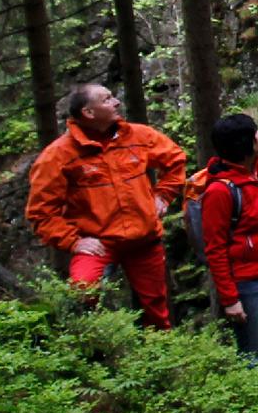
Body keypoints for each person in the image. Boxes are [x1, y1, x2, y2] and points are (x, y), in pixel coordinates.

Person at [25, 83, 188, 329]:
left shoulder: (139, 136)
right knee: (83, 294)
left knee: (156, 309)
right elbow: (41, 212)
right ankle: (94, 347)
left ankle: (160, 348)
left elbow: (175, 159)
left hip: (143, 239)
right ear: (88, 113)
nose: (116, 102)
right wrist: (73, 241)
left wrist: (163, 195)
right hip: (99, 244)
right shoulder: (57, 155)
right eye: (107, 99)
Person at [193, 111, 258, 374]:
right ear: (245, 144)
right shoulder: (220, 191)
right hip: (248, 282)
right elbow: (215, 249)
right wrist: (230, 299)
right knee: (254, 354)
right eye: (255, 133)